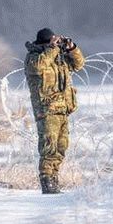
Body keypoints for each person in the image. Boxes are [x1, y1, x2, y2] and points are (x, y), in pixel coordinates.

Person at [24, 28, 85, 194]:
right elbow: (38, 68)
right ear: (45, 44)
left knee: (61, 147)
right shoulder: (34, 57)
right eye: (53, 42)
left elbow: (79, 64)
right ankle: (47, 181)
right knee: (48, 148)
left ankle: (54, 178)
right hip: (47, 110)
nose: (57, 45)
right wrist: (53, 48)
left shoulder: (58, 58)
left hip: (63, 109)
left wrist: (71, 48)